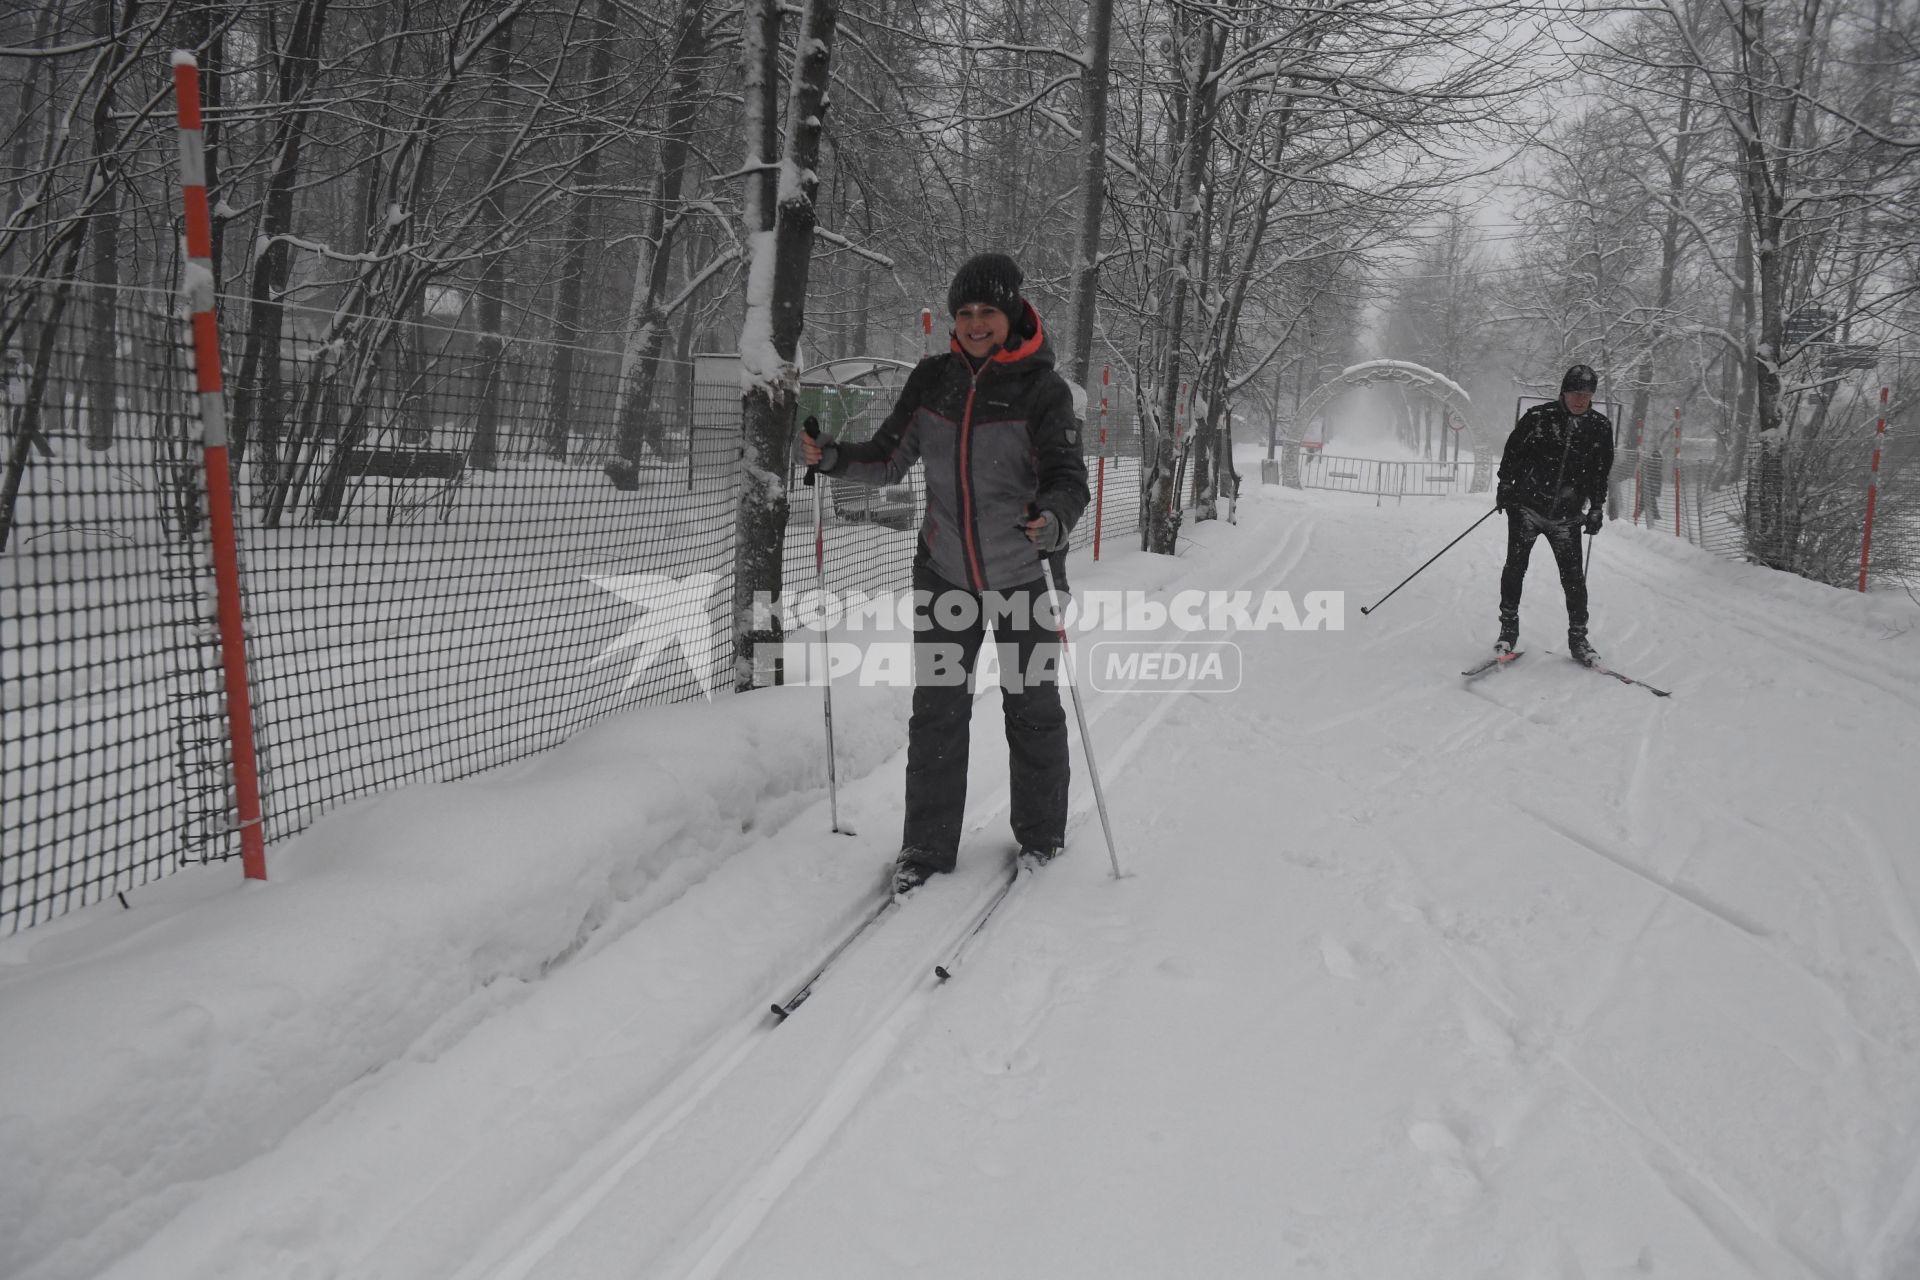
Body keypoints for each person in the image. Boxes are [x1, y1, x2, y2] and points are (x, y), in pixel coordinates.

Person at [799, 252, 1090, 894]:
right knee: (936, 712)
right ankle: (927, 849)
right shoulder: (933, 380)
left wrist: (1055, 519)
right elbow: (888, 458)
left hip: (1024, 577)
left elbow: (1069, 480)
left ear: (1010, 313)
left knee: (1033, 708)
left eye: (987, 311)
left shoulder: (1043, 390)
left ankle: (1042, 835)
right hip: (945, 573)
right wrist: (835, 458)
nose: (976, 322)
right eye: (964, 312)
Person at [1494, 364, 1615, 666]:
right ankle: (1508, 630)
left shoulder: (1599, 427)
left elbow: (1601, 472)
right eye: (1576, 393)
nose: (1580, 399)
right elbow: (1513, 453)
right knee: (1515, 568)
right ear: (1564, 391)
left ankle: (1579, 638)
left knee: (1573, 578)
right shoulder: (1539, 419)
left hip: (1568, 516)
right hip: (1528, 508)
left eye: (1587, 395)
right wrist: (1506, 487)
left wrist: (1597, 507)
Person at [1642, 446, 1664, 523]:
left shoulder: (1654, 463)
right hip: (1652, 483)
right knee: (1648, 498)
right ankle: (1655, 514)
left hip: (1652, 483)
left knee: (1649, 498)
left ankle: (1655, 515)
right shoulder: (1657, 463)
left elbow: (1649, 469)